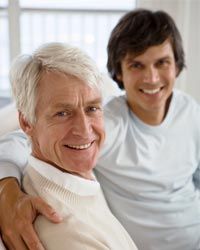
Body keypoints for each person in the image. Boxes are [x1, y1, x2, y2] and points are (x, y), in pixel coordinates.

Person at [0, 8, 200, 250]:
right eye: (136, 65)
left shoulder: (189, 109)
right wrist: (5, 188)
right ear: (119, 72)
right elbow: (22, 141)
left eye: (162, 63)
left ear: (176, 65)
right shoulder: (108, 125)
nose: (152, 78)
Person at [0, 42, 137, 250]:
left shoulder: (73, 173)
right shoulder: (68, 233)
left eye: (92, 108)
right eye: (62, 113)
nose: (84, 130)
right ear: (27, 122)